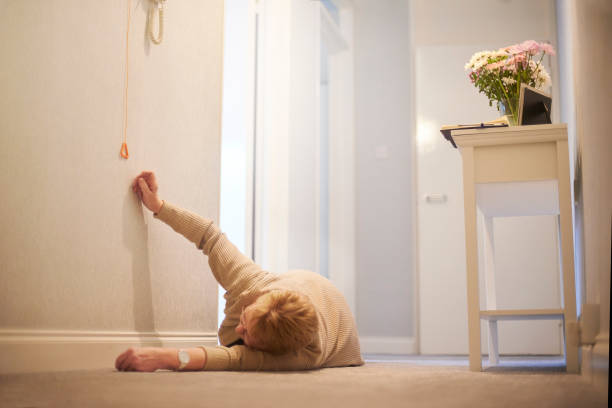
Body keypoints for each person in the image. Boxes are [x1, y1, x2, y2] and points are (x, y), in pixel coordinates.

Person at [115, 171, 364, 372]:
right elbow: (210, 237)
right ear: (256, 299)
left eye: (247, 335)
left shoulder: (301, 357)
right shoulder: (251, 283)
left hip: (339, 332)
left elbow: (232, 358)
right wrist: (158, 205)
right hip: (304, 284)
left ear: (274, 351)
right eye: (245, 320)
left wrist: (165, 357)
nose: (238, 329)